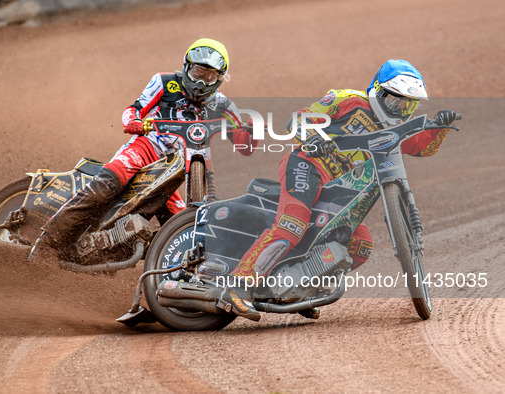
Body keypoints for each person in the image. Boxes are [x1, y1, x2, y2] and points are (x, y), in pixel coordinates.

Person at [223, 59, 459, 321]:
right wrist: (316, 138)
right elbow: (298, 119)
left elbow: (422, 147)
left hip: (337, 189)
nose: (400, 110)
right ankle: (236, 286)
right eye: (395, 101)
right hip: (307, 165)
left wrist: (439, 128)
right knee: (292, 226)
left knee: (360, 243)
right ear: (378, 92)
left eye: (408, 105)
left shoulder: (395, 127)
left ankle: (301, 290)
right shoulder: (347, 99)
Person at [32, 38, 254, 262]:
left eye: (210, 76)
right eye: (198, 73)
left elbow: (243, 145)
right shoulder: (166, 82)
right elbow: (134, 109)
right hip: (147, 148)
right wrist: (135, 122)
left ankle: (123, 254)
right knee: (107, 183)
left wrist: (251, 132)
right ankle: (46, 243)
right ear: (187, 67)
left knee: (180, 228)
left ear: (220, 78)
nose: (202, 82)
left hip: (174, 169)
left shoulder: (224, 105)